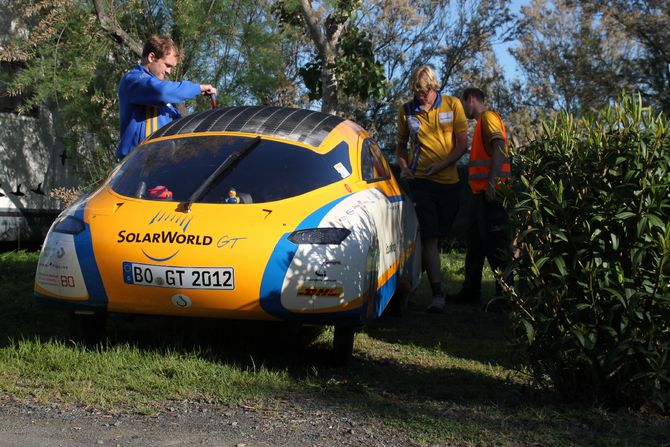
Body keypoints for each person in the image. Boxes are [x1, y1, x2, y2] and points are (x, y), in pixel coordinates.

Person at [396, 65, 468, 313]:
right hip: (420, 183)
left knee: (436, 241)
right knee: (429, 238)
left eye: (424, 93)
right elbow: (400, 147)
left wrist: (441, 165)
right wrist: (404, 167)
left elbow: (462, 145)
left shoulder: (453, 105)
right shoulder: (406, 111)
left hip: (449, 184)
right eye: (417, 93)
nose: (421, 97)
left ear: (433, 87)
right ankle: (438, 295)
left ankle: (409, 288)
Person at [450, 87, 512, 307]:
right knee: (475, 244)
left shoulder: (488, 118)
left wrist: (493, 183)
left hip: (491, 195)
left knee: (496, 246)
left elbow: (499, 146)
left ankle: (504, 296)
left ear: (471, 99)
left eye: (463, 103)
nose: (463, 109)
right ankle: (471, 290)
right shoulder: (481, 125)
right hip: (480, 194)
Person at [116, 35, 217, 160]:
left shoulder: (167, 106)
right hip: (136, 164)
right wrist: (198, 88)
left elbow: (181, 129)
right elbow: (161, 91)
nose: (169, 72)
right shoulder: (133, 81)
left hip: (159, 165)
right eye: (167, 65)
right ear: (152, 57)